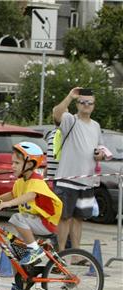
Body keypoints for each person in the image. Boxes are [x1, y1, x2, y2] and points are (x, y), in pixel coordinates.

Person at [0, 142, 63, 290]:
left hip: (45, 223)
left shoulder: (36, 180)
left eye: (16, 163)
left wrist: (7, 205)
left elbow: (30, 195)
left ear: (30, 164)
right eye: (12, 162)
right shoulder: (21, 181)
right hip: (32, 224)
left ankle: (35, 250)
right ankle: (21, 284)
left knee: (16, 217)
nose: (12, 166)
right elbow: (12, 194)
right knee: (14, 250)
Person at [52, 87, 103, 252]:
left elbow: (100, 148)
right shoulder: (70, 120)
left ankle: (76, 253)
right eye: (82, 102)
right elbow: (56, 114)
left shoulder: (96, 126)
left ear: (94, 105)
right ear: (78, 105)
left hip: (86, 181)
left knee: (79, 218)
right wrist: (70, 96)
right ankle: (60, 254)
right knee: (64, 218)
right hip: (67, 179)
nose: (86, 105)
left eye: (90, 103)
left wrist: (100, 154)